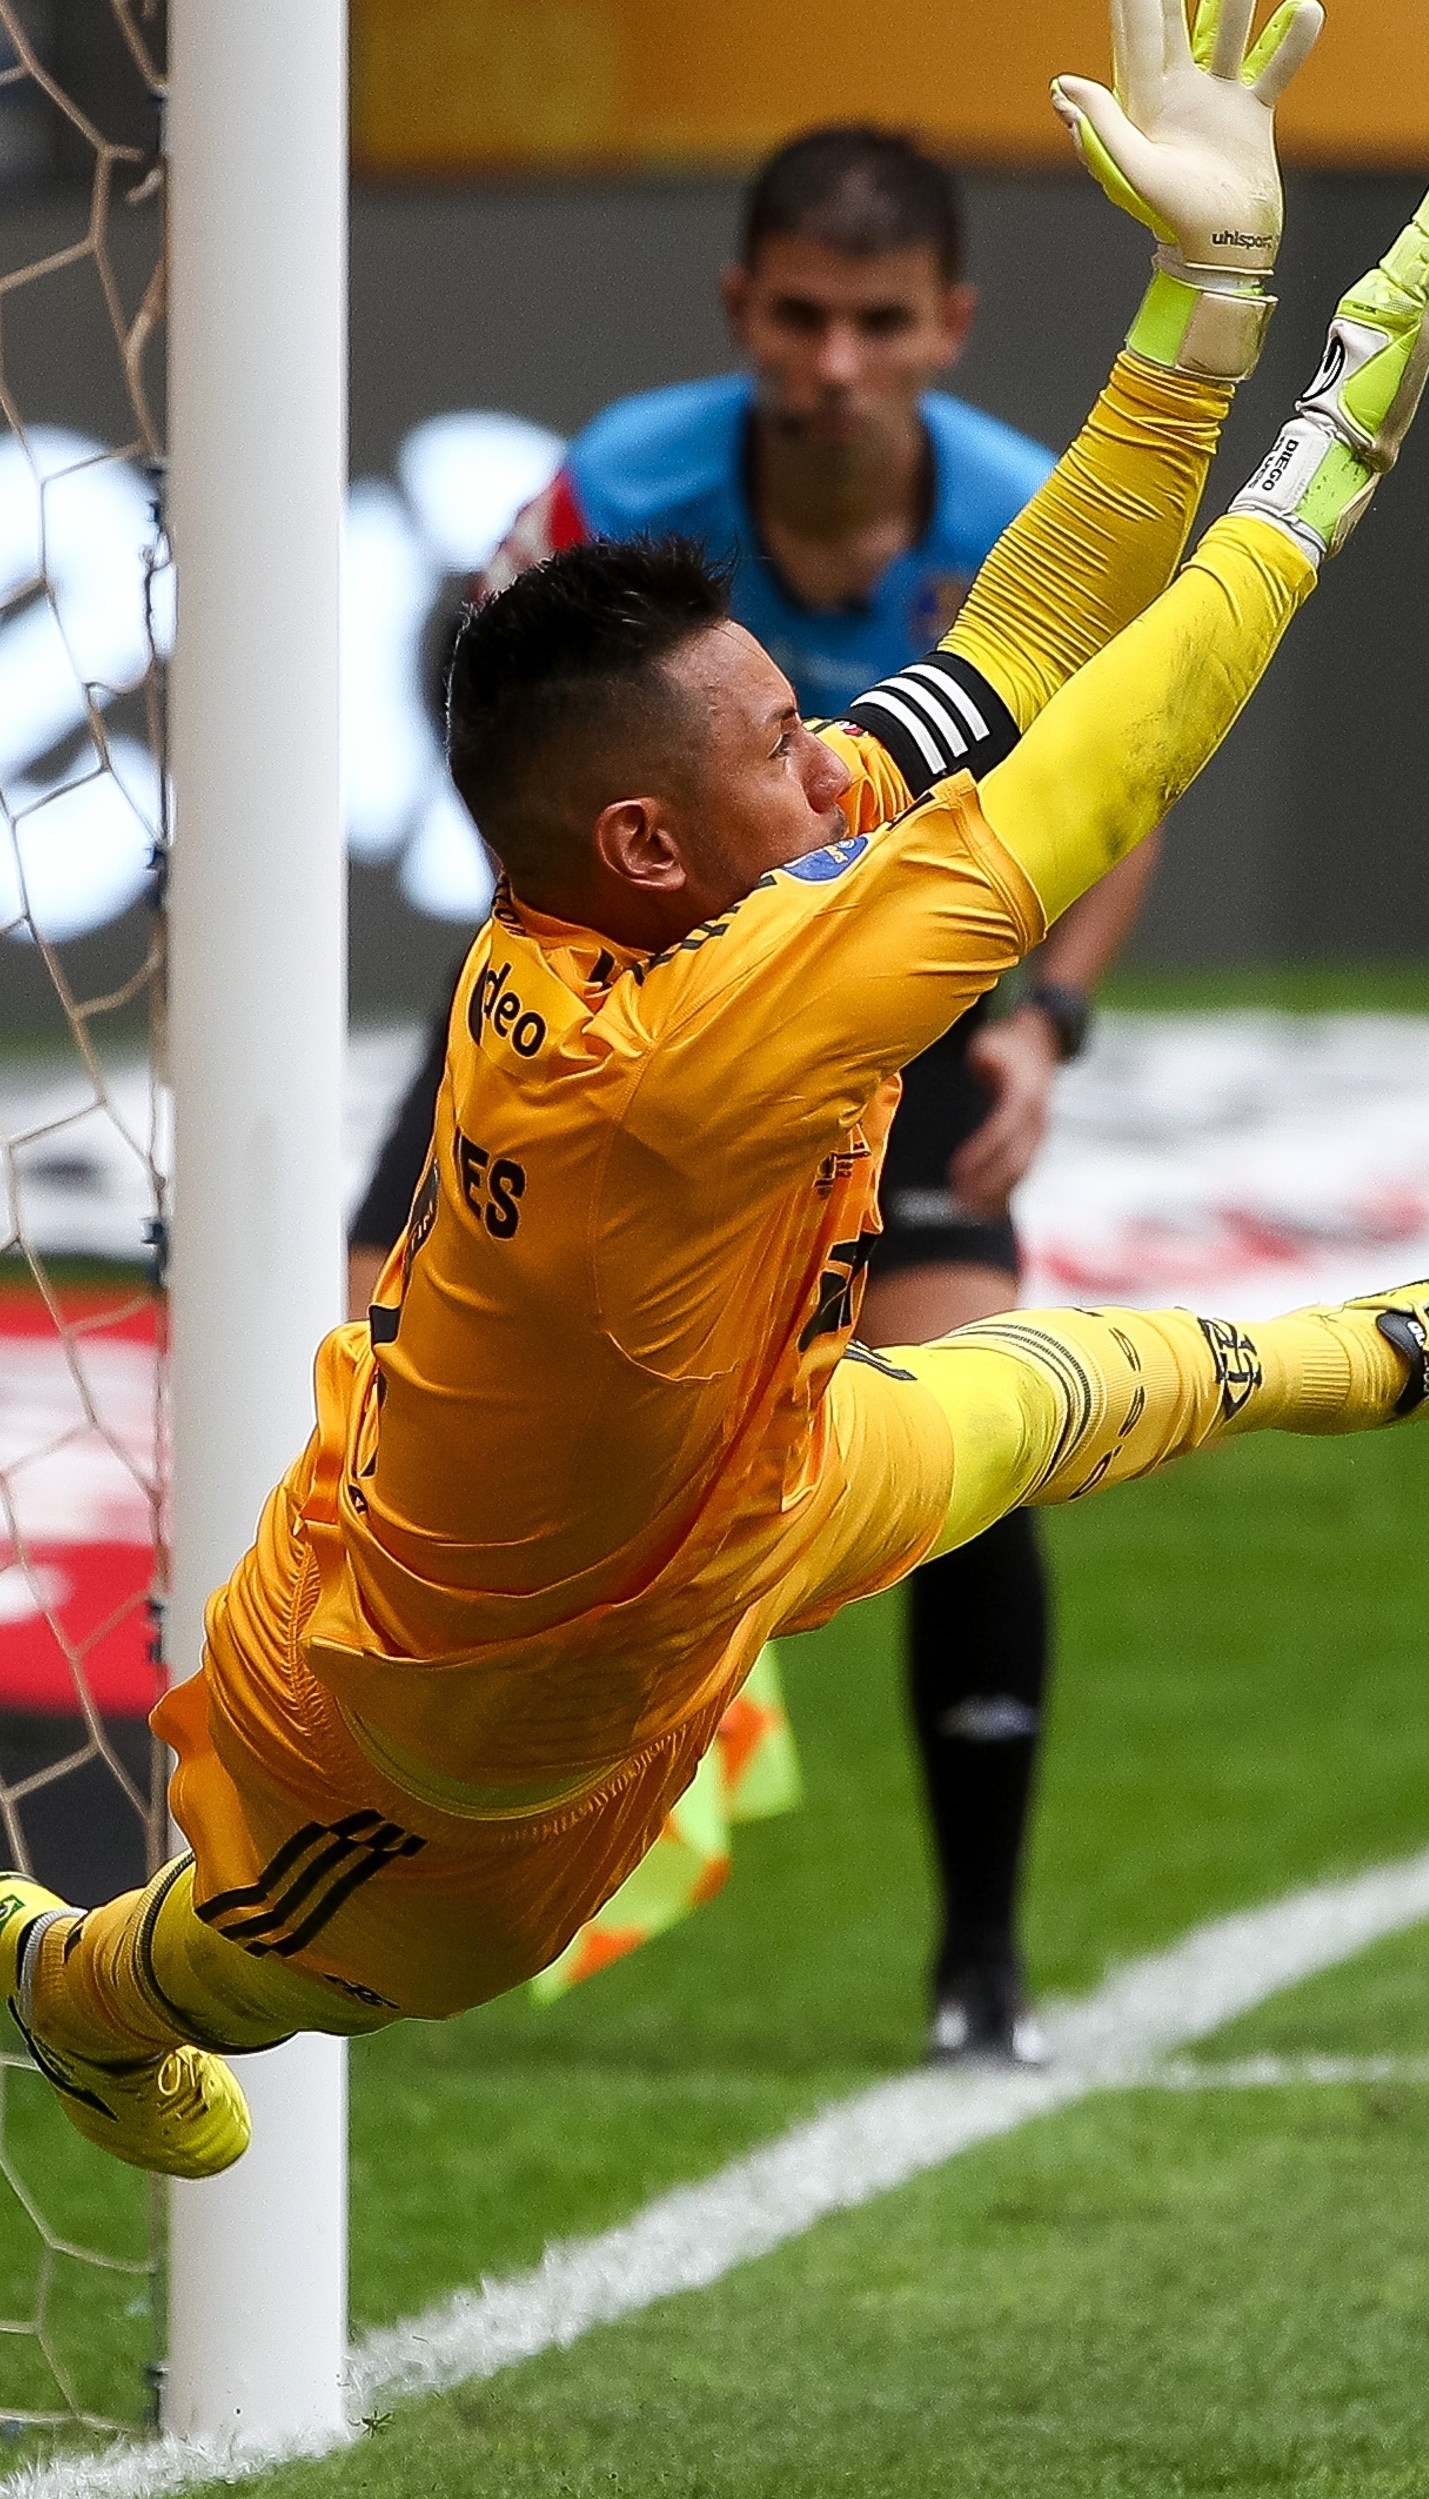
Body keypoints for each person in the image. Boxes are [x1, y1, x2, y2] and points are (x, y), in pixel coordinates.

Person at [0, 0, 1429, 2181]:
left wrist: (1213, 293)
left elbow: (1003, 654)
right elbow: (1087, 774)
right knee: (256, 1969)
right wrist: (1322, 464)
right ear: (642, 830)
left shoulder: (706, 881)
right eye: (789, 737)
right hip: (434, 1747)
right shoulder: (698, 1030)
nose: (839, 756)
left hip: (749, 1482)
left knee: (1127, 1384)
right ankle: (66, 1987)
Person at [349, 123, 1162, 2063]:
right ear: (740, 309)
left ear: (951, 326)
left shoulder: (1023, 520)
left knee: (975, 1437)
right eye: (799, 314)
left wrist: (1044, 1015)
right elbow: (493, 708)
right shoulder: (615, 481)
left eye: (880, 322)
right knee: (371, 1359)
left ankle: (980, 1955)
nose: (835, 362)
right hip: (614, 1008)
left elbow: (1112, 787)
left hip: (894, 1011)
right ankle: (387, 1846)